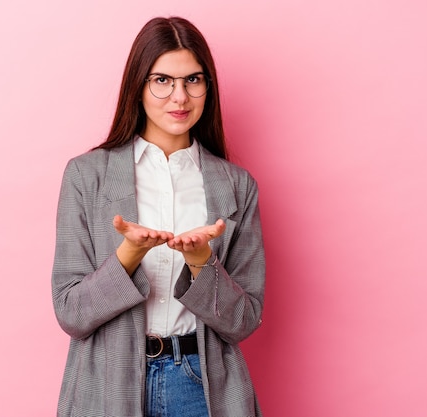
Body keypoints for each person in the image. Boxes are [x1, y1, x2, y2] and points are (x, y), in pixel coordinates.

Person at [51, 16, 266, 417]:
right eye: (162, 80)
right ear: (139, 85)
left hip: (200, 385)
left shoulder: (238, 186)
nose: (180, 97)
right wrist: (128, 255)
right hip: (108, 386)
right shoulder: (86, 176)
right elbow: (71, 312)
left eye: (193, 80)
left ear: (208, 87)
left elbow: (245, 320)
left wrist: (202, 263)